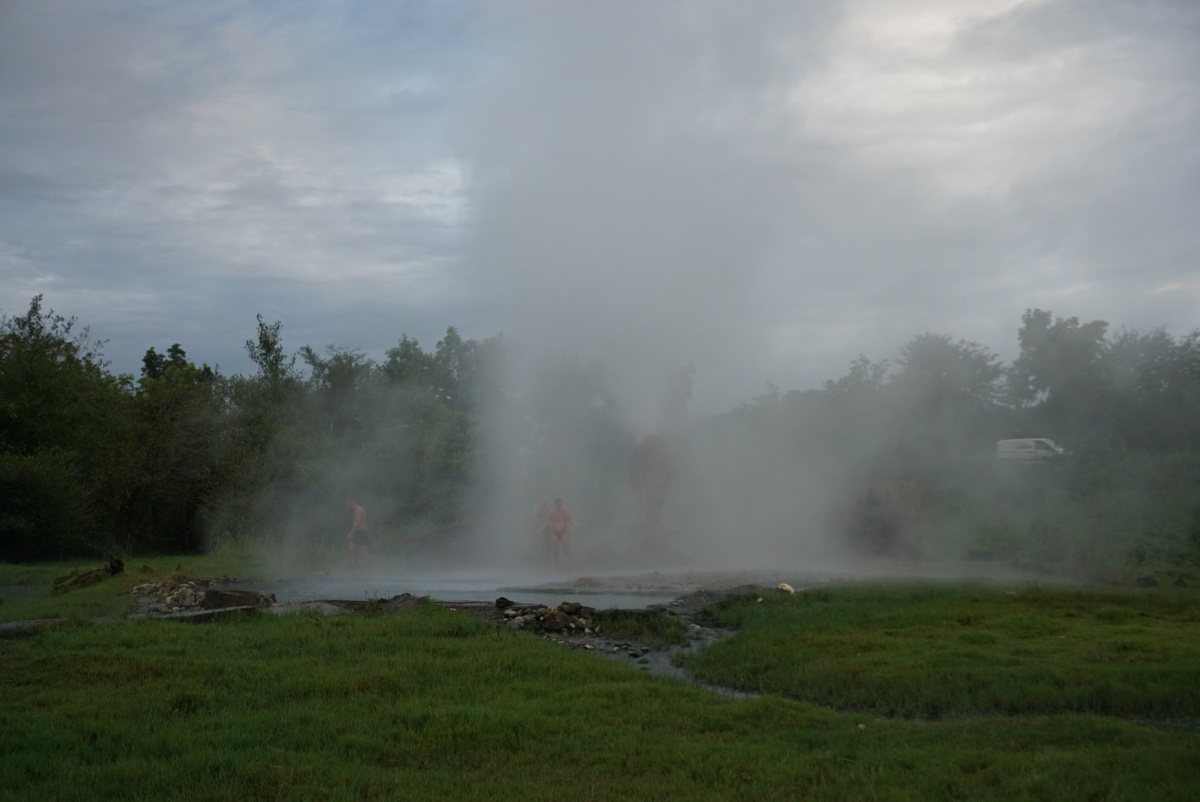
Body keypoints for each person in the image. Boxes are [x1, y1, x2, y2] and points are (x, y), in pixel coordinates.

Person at [546, 496, 576, 569]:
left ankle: (569, 567)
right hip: (555, 532)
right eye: (557, 503)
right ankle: (556, 567)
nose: (558, 505)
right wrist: (541, 528)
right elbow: (547, 522)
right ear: (555, 504)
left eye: (559, 503)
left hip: (564, 532)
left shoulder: (566, 511)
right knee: (556, 552)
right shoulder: (551, 511)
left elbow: (570, 521)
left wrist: (577, 525)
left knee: (566, 551)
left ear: (561, 503)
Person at [344, 497, 371, 570]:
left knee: (363, 553)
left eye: (348, 504)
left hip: (361, 532)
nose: (347, 506)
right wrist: (353, 532)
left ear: (352, 502)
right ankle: (351, 569)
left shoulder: (359, 510)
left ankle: (373, 567)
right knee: (351, 550)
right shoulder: (354, 511)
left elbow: (358, 522)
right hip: (356, 533)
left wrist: (351, 532)